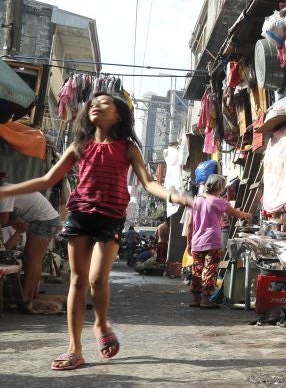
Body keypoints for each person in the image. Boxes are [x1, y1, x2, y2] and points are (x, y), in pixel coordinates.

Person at [0, 91, 192, 371]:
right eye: (93, 103)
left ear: (119, 115)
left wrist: (173, 196)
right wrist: (7, 190)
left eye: (106, 104)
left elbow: (149, 183)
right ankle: (74, 350)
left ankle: (101, 323)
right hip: (80, 216)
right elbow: (46, 179)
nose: (97, 106)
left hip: (111, 218)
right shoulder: (80, 145)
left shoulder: (127, 148)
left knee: (97, 280)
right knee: (77, 281)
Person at [186, 174, 252, 309]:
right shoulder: (219, 201)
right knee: (210, 270)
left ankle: (195, 299)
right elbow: (237, 214)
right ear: (221, 187)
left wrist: (189, 243)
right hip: (211, 241)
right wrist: (248, 215)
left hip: (197, 242)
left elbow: (189, 225)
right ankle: (205, 301)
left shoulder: (196, 201)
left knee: (197, 271)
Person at [0, 191, 62, 312]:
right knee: (31, 260)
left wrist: (15, 227)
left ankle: (25, 298)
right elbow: (8, 219)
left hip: (44, 220)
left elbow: (4, 219)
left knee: (32, 260)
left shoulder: (4, 192)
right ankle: (29, 297)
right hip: (43, 219)